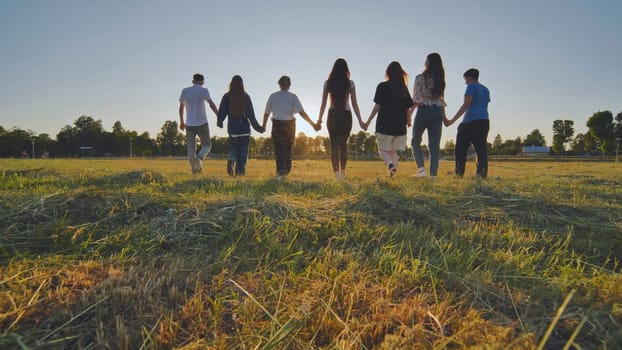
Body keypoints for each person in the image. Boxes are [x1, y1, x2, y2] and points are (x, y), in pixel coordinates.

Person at [363, 61, 414, 178]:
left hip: (384, 125)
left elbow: (377, 106)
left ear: (388, 73)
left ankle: (390, 165)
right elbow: (407, 108)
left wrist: (368, 121)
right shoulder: (403, 89)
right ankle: (392, 175)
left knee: (382, 149)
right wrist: (409, 121)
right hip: (400, 126)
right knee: (393, 151)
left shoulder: (382, 87)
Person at [316, 58, 365, 179]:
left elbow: (323, 103)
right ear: (346, 70)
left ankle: (337, 175)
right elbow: (354, 104)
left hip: (332, 115)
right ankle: (343, 172)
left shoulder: (328, 83)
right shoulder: (350, 83)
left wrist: (319, 120)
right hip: (346, 115)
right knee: (343, 145)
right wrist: (360, 120)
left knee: (334, 146)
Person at [262, 76, 318, 177]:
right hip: (289, 125)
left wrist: (264, 126)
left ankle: (280, 172)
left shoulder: (273, 96)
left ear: (279, 84)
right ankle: (286, 171)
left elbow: (266, 113)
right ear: (290, 85)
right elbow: (301, 112)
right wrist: (312, 124)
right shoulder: (293, 97)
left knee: (278, 149)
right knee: (287, 149)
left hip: (277, 124)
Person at [446, 68, 491, 178]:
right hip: (484, 120)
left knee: (461, 149)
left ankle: (459, 173)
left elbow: (466, 104)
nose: (465, 82)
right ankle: (481, 174)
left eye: (465, 79)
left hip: (470, 121)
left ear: (469, 77)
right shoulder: (486, 89)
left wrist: (452, 120)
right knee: (481, 149)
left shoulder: (471, 86)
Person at [217, 75, 265, 176]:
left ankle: (231, 161)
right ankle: (240, 172)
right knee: (243, 152)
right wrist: (259, 128)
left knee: (234, 148)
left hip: (233, 128)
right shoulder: (245, 96)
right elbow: (251, 115)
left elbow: (222, 111)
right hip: (244, 129)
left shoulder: (227, 96)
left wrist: (220, 121)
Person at [410, 53, 448, 178]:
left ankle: (421, 170)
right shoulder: (440, 81)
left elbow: (416, 98)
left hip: (424, 110)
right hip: (437, 112)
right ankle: (433, 175)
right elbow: (441, 100)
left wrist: (409, 113)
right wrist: (444, 117)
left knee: (415, 140)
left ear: (428, 62)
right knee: (434, 145)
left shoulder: (420, 77)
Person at [178, 73, 218, 174]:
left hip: (189, 123)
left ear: (193, 81)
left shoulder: (185, 91)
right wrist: (219, 116)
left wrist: (182, 121)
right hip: (202, 122)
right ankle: (199, 158)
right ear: (203, 82)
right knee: (207, 145)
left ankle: (195, 171)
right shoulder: (204, 91)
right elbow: (211, 104)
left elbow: (181, 107)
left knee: (191, 149)